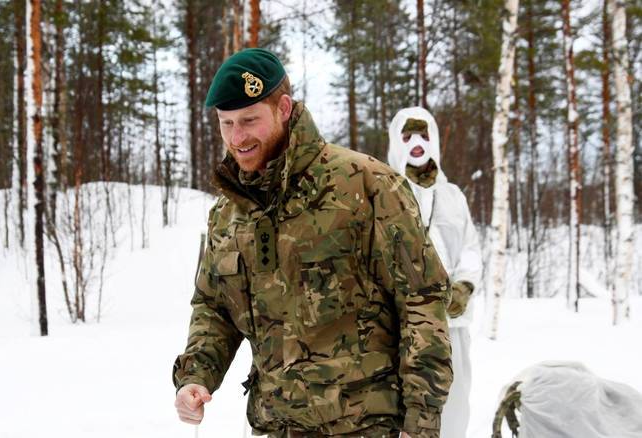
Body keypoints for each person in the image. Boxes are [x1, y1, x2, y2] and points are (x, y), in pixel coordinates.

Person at [173, 48, 453, 438]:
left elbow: (421, 301)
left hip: (367, 426)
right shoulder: (228, 212)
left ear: (284, 108)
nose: (237, 138)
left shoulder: (365, 185)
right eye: (227, 123)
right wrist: (196, 375)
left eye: (249, 120)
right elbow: (214, 306)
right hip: (276, 425)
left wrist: (421, 423)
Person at [387, 107, 483, 438]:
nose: (417, 142)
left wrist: (465, 287)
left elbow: (470, 246)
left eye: (424, 134)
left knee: (454, 406)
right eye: (408, 135)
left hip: (452, 323)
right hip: (403, 325)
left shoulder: (453, 196)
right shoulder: (384, 194)